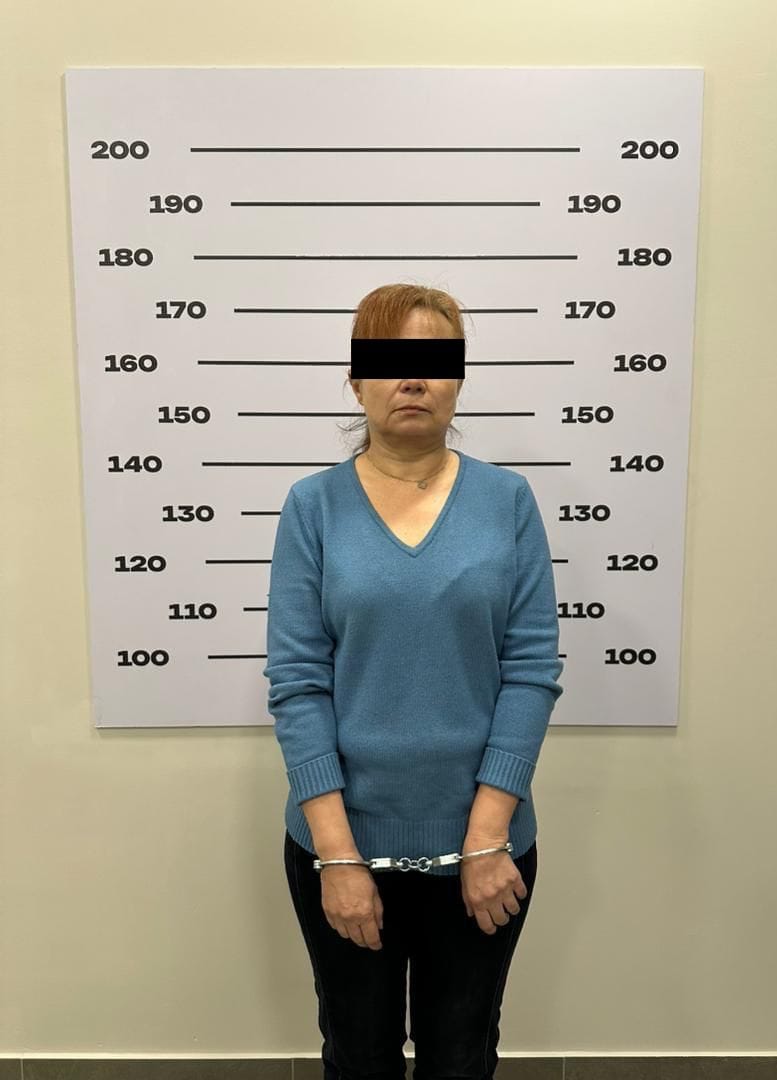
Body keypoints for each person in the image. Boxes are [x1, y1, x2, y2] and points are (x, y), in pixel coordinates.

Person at [264, 284, 563, 1079]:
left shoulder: (508, 502)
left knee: (461, 1057)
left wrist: (486, 838)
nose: (412, 379)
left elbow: (531, 671)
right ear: (356, 381)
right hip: (342, 848)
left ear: (457, 380)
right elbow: (297, 684)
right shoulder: (312, 508)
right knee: (358, 1056)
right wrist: (338, 860)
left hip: (485, 849)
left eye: (433, 361)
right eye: (389, 361)